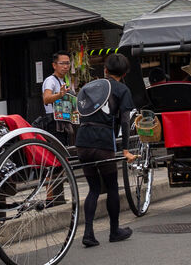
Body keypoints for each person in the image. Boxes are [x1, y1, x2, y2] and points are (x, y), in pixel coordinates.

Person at [74, 54, 136, 247]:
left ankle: (89, 233)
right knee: (111, 187)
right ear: (125, 73)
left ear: (105, 70)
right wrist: (125, 149)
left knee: (93, 188)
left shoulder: (89, 87)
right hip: (103, 142)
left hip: (82, 141)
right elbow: (125, 121)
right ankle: (114, 230)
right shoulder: (122, 89)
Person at [40, 50, 75, 142]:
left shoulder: (63, 82)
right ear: (54, 65)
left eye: (67, 63)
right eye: (62, 63)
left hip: (63, 122)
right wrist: (60, 95)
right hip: (52, 122)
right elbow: (46, 99)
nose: (66, 66)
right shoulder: (50, 80)